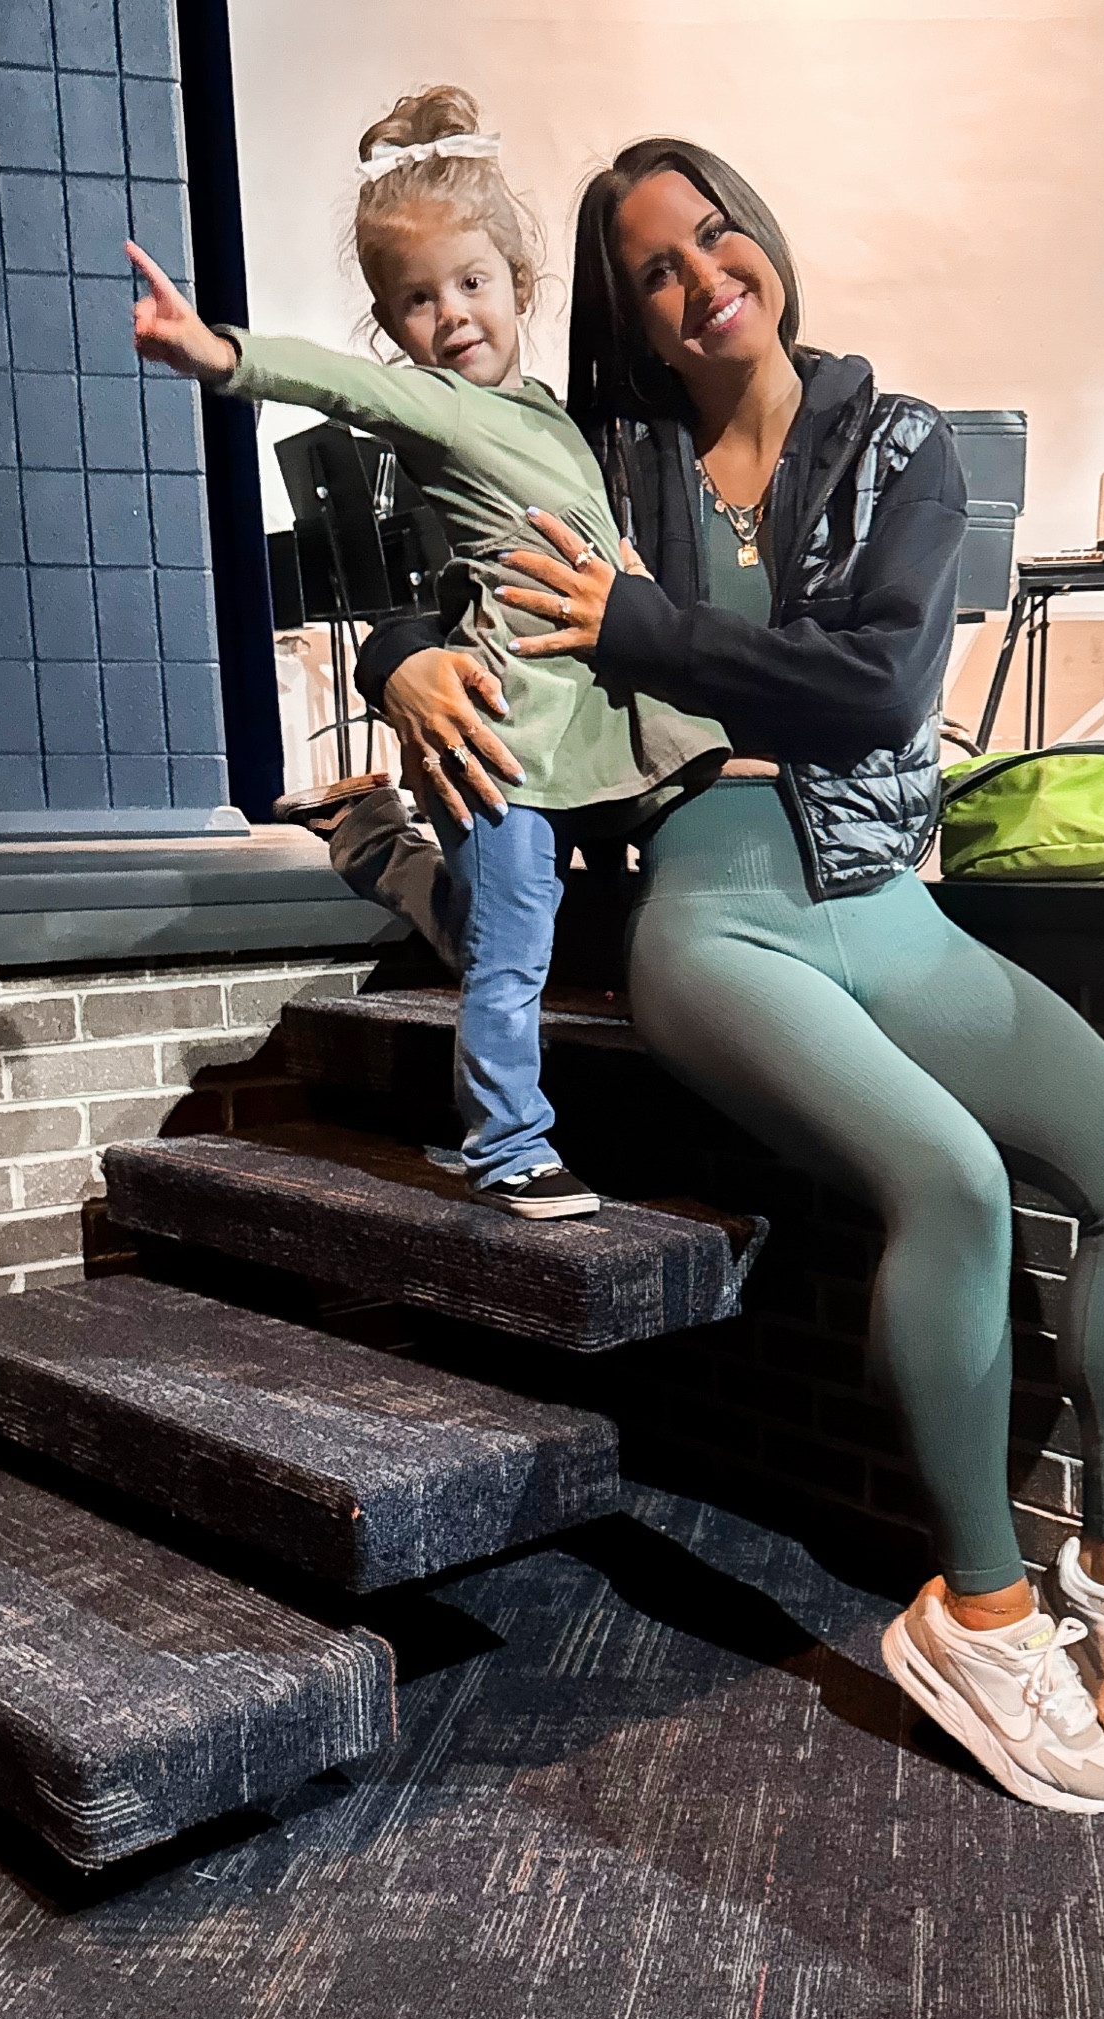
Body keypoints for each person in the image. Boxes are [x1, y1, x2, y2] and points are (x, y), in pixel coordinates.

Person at [354, 136, 1104, 1815]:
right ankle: (978, 1615)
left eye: (712, 237)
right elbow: (424, 573)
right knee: (951, 1179)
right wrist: (402, 663)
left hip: (878, 899)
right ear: (627, 314)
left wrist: (638, 629)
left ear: (759, 236)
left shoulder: (897, 443)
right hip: (710, 905)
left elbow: (874, 683)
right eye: (653, 273)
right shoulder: (604, 457)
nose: (699, 282)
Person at [126, 87, 729, 1220]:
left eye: (470, 283)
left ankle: (379, 850)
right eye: (415, 300)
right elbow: (335, 381)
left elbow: (584, 527)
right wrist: (218, 353)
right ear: (390, 324)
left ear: (518, 282)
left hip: (581, 717)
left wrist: (633, 569)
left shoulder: (549, 411)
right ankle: (506, 1145)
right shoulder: (439, 408)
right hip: (504, 729)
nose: (449, 316)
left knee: (519, 923)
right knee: (510, 950)